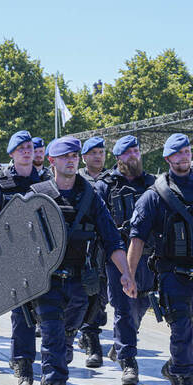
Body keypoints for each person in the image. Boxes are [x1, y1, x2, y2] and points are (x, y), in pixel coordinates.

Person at [28, 136, 136, 385]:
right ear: (52, 161)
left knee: (65, 336)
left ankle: (54, 372)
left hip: (80, 283)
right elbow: (21, 243)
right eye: (65, 156)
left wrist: (126, 273)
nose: (71, 160)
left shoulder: (90, 196)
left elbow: (111, 238)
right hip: (47, 282)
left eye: (75, 156)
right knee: (52, 337)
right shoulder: (37, 195)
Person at [128, 133, 193, 385]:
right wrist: (129, 275)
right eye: (178, 153)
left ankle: (176, 366)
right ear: (168, 158)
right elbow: (137, 238)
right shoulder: (154, 195)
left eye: (187, 151)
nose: (184, 156)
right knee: (181, 330)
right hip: (171, 273)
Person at [0, 130, 42, 385]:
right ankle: (24, 370)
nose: (27, 151)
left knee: (51, 318)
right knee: (22, 315)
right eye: (21, 148)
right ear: (12, 153)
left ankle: (53, 370)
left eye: (30, 147)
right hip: (14, 259)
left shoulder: (46, 181)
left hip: (43, 259)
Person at [95, 135, 156, 385]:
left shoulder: (152, 183)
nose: (134, 155)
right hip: (117, 256)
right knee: (123, 307)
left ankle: (120, 344)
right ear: (119, 157)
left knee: (140, 304)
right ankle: (129, 361)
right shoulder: (106, 185)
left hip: (147, 255)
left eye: (136, 151)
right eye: (128, 152)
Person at [76, 136, 109, 367]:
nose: (98, 156)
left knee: (101, 296)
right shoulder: (76, 180)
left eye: (101, 152)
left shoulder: (112, 179)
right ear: (84, 157)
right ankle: (89, 338)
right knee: (85, 294)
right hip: (82, 246)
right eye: (93, 153)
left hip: (107, 245)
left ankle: (90, 333)